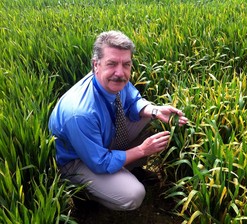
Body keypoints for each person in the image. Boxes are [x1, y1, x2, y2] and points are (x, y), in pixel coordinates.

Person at [48, 30, 188, 211]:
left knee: (152, 118)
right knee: (133, 195)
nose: (120, 72)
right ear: (95, 65)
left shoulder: (115, 80)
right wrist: (142, 150)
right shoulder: (80, 113)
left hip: (102, 140)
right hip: (77, 161)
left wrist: (156, 111)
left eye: (126, 64)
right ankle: (85, 193)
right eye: (112, 63)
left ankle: (130, 168)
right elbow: (100, 162)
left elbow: (133, 101)